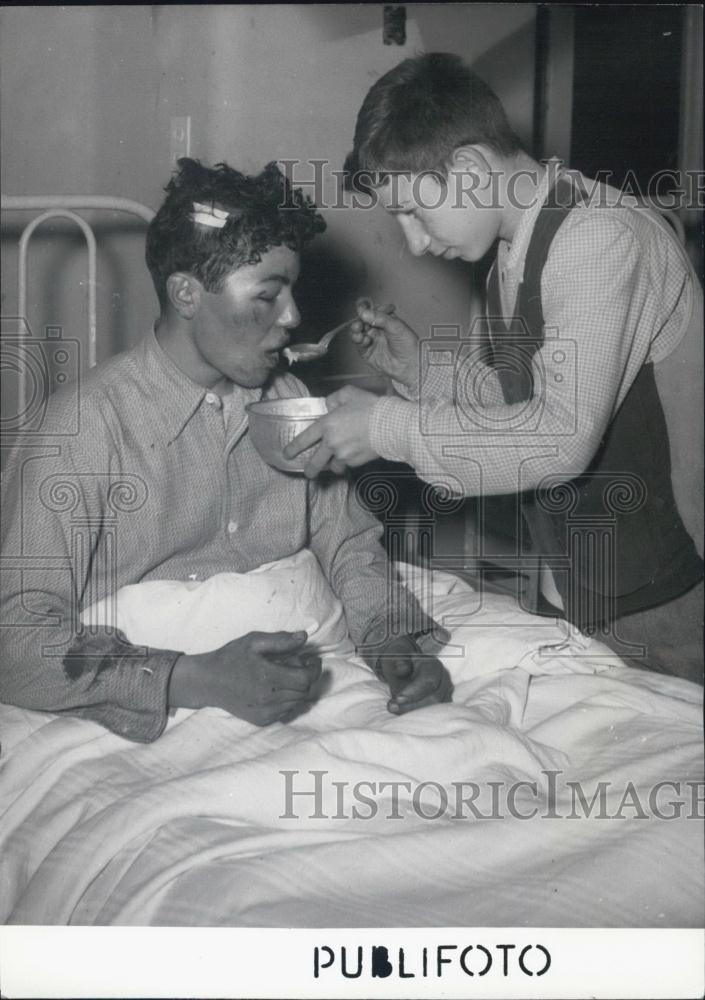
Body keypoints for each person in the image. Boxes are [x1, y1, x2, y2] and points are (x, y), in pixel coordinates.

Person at [0, 158, 451, 743]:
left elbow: (348, 543)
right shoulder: (85, 430)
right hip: (155, 706)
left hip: (313, 676)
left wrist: (392, 643)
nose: (293, 316)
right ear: (186, 293)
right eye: (268, 295)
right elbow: (15, 634)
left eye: (292, 291)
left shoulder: (285, 400)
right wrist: (198, 679)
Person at [284, 53, 704, 681]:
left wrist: (385, 428)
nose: (415, 244)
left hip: (670, 588)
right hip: (589, 581)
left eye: (414, 213)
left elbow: (560, 437)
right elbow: (519, 405)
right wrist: (426, 371)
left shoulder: (598, 238)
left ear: (472, 170)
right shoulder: (512, 247)